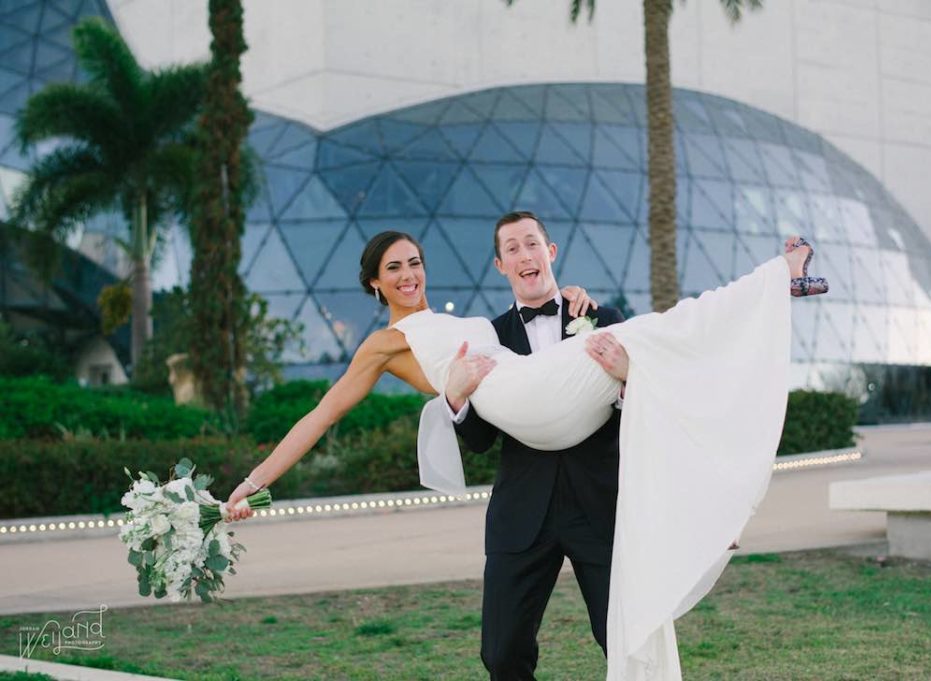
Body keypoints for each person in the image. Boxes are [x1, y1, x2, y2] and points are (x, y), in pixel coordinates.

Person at [226, 225, 826, 680]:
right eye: (394, 267)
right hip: (522, 434)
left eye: (414, 262)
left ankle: (778, 282)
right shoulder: (384, 345)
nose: (409, 274)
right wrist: (253, 481)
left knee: (651, 340)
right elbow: (323, 414)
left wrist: (614, 363)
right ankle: (777, 282)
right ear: (374, 283)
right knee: (502, 653)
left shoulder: (530, 316)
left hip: (562, 423)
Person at [441, 211, 627, 680]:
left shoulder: (603, 320)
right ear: (501, 265)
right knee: (501, 653)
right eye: (512, 249)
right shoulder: (488, 339)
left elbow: (640, 416)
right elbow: (482, 441)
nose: (525, 255)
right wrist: (455, 397)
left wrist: (630, 379)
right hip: (522, 515)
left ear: (551, 252)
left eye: (532, 244)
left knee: (625, 639)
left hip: (599, 507)